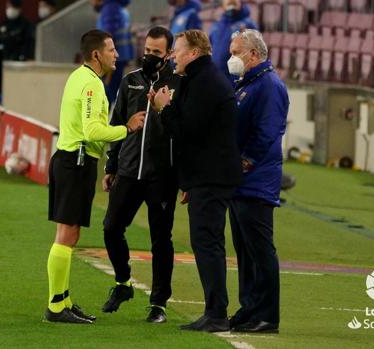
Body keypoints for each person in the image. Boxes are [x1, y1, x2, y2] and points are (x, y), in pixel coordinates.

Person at [45, 29, 145, 324]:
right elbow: (92, 131)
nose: (117, 54)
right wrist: (127, 128)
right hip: (76, 162)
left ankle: (63, 299)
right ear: (97, 54)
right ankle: (55, 305)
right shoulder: (91, 85)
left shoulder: (80, 77)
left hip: (72, 160)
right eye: (112, 49)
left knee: (69, 233)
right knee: (66, 235)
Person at [150, 29, 241, 332]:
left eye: (177, 50)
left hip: (212, 177)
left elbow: (187, 131)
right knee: (206, 242)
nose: (173, 55)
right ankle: (214, 311)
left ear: (194, 52)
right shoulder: (201, 79)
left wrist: (164, 109)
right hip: (206, 177)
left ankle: (216, 314)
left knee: (208, 243)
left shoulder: (204, 82)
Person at [101, 26, 179, 323]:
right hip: (129, 170)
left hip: (162, 175)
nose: (149, 56)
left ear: (169, 54)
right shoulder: (130, 81)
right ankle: (123, 283)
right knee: (111, 228)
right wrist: (111, 167)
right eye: (147, 51)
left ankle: (158, 303)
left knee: (161, 239)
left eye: (156, 53)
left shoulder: (177, 84)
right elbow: (118, 122)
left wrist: (183, 178)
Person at [226, 29, 289, 333]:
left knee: (260, 250)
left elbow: (267, 132)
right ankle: (249, 308)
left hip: (256, 180)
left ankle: (267, 315)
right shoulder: (248, 84)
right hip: (242, 182)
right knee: (245, 251)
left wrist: (244, 163)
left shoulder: (269, 86)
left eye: (236, 52)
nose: (231, 57)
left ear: (253, 54)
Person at [92, 0, 135, 104]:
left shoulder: (109, 8)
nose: (91, 2)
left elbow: (108, 36)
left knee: (107, 94)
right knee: (113, 92)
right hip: (119, 58)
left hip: (112, 60)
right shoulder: (118, 7)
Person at [209, 0, 258, 82]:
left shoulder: (248, 25)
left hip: (236, 81)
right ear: (222, 4)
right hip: (216, 79)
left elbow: (255, 55)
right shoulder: (216, 25)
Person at [0, 0, 34, 90]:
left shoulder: (25, 25)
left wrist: (28, 57)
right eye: (8, 7)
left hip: (19, 62)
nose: (10, 10)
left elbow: (29, 43)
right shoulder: (2, 24)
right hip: (2, 62)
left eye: (12, 7)